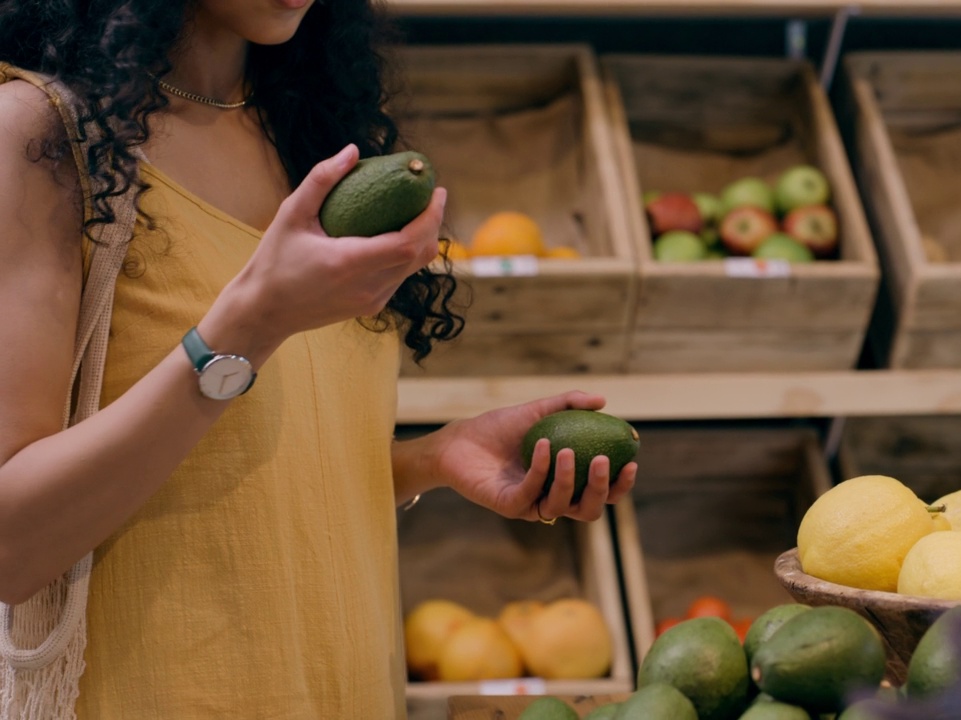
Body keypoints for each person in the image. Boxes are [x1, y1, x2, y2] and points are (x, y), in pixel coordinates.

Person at [0, 1, 637, 717]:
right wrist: (253, 323)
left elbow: (239, 476)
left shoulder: (308, 129)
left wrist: (431, 459)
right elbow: (13, 544)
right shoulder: (41, 138)